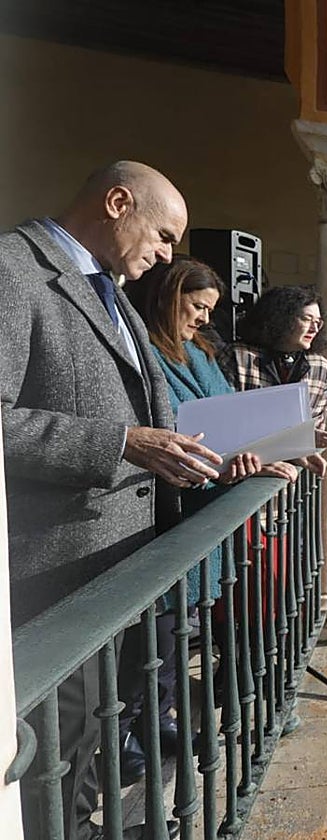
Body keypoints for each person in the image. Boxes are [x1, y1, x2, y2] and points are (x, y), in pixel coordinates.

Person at [0, 161, 224, 840]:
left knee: (92, 742)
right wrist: (119, 445)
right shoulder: (12, 269)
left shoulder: (113, 290)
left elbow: (152, 416)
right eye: (161, 236)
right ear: (116, 201)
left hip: (121, 577)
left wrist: (213, 456)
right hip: (56, 580)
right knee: (53, 758)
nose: (164, 256)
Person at [117, 256, 297, 784]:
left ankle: (161, 718)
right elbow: (179, 429)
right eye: (197, 307)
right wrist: (231, 462)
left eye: (209, 309)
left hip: (203, 507)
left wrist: (277, 447)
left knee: (173, 634)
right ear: (167, 298)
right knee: (153, 637)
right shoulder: (141, 352)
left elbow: (228, 417)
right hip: (164, 512)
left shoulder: (199, 353)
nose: (202, 319)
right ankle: (129, 730)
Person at [219, 285, 327, 474]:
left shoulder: (319, 366)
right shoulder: (238, 356)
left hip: (292, 481)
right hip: (241, 475)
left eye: (319, 322)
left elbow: (316, 422)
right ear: (281, 318)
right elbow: (223, 421)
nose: (314, 328)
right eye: (306, 319)